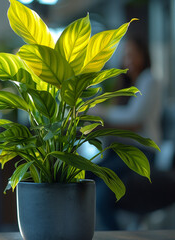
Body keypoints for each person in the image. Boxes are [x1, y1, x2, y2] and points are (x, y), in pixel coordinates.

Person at [89, 37, 162, 230]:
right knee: (96, 187)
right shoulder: (122, 85)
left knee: (97, 189)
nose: (128, 59)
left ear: (144, 56)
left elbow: (133, 119)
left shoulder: (149, 80)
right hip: (118, 152)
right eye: (125, 55)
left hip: (142, 152)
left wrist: (97, 112)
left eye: (133, 54)